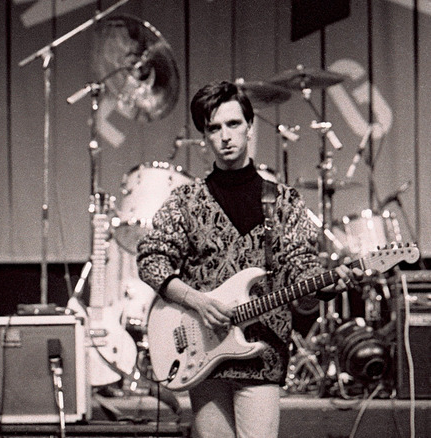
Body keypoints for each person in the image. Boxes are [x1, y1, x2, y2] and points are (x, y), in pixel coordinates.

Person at [136, 80, 364, 438]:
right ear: (204, 137)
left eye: (233, 124)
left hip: (262, 354)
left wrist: (328, 284)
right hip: (203, 350)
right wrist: (196, 300)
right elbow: (151, 259)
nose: (225, 136)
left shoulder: (284, 201)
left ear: (249, 126)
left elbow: (300, 266)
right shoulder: (187, 201)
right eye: (214, 128)